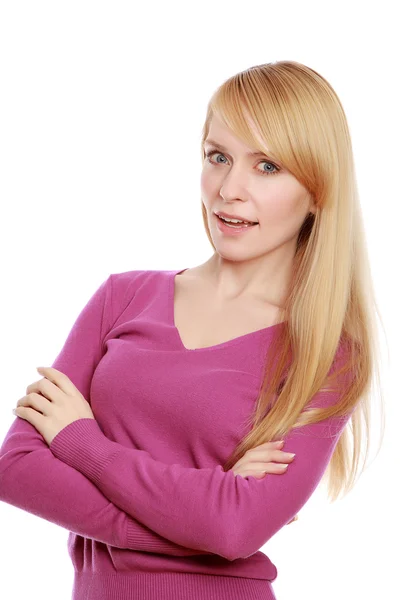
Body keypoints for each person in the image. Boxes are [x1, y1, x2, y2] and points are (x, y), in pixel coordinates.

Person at [0, 60, 385, 600]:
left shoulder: (328, 353)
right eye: (218, 157)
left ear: (319, 191)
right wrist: (201, 521)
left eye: (268, 166)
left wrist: (81, 442)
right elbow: (16, 469)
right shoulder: (123, 296)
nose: (230, 189)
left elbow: (236, 529)